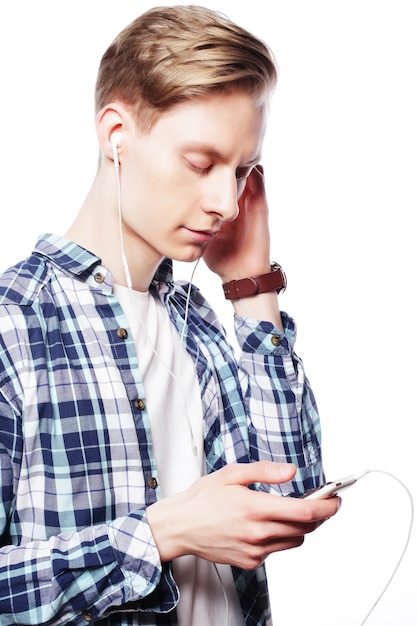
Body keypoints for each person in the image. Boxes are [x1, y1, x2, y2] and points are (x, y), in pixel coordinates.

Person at [0, 5, 340, 625]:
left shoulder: (199, 323)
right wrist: (158, 534)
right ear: (116, 134)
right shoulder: (15, 325)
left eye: (240, 172)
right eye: (201, 163)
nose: (225, 203)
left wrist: (251, 286)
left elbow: (290, 493)